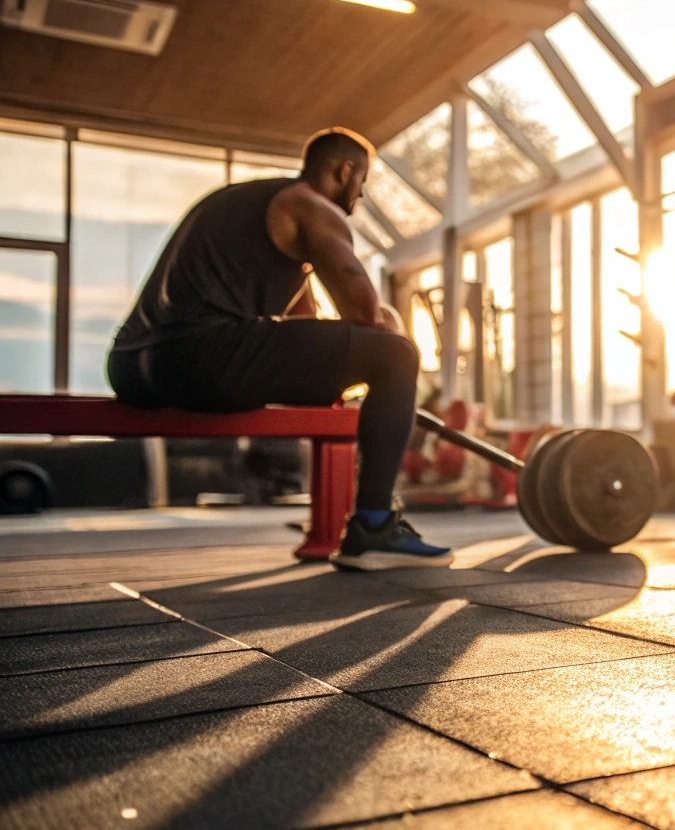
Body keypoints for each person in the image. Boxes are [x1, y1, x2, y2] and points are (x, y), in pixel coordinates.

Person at [108, 127, 454, 570]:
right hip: (202, 358)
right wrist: (390, 351)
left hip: (130, 365)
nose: (361, 195)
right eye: (362, 183)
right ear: (345, 172)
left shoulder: (250, 203)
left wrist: (352, 369)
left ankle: (371, 519)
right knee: (397, 354)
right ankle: (373, 525)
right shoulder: (311, 205)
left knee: (372, 355)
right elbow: (367, 315)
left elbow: (300, 328)